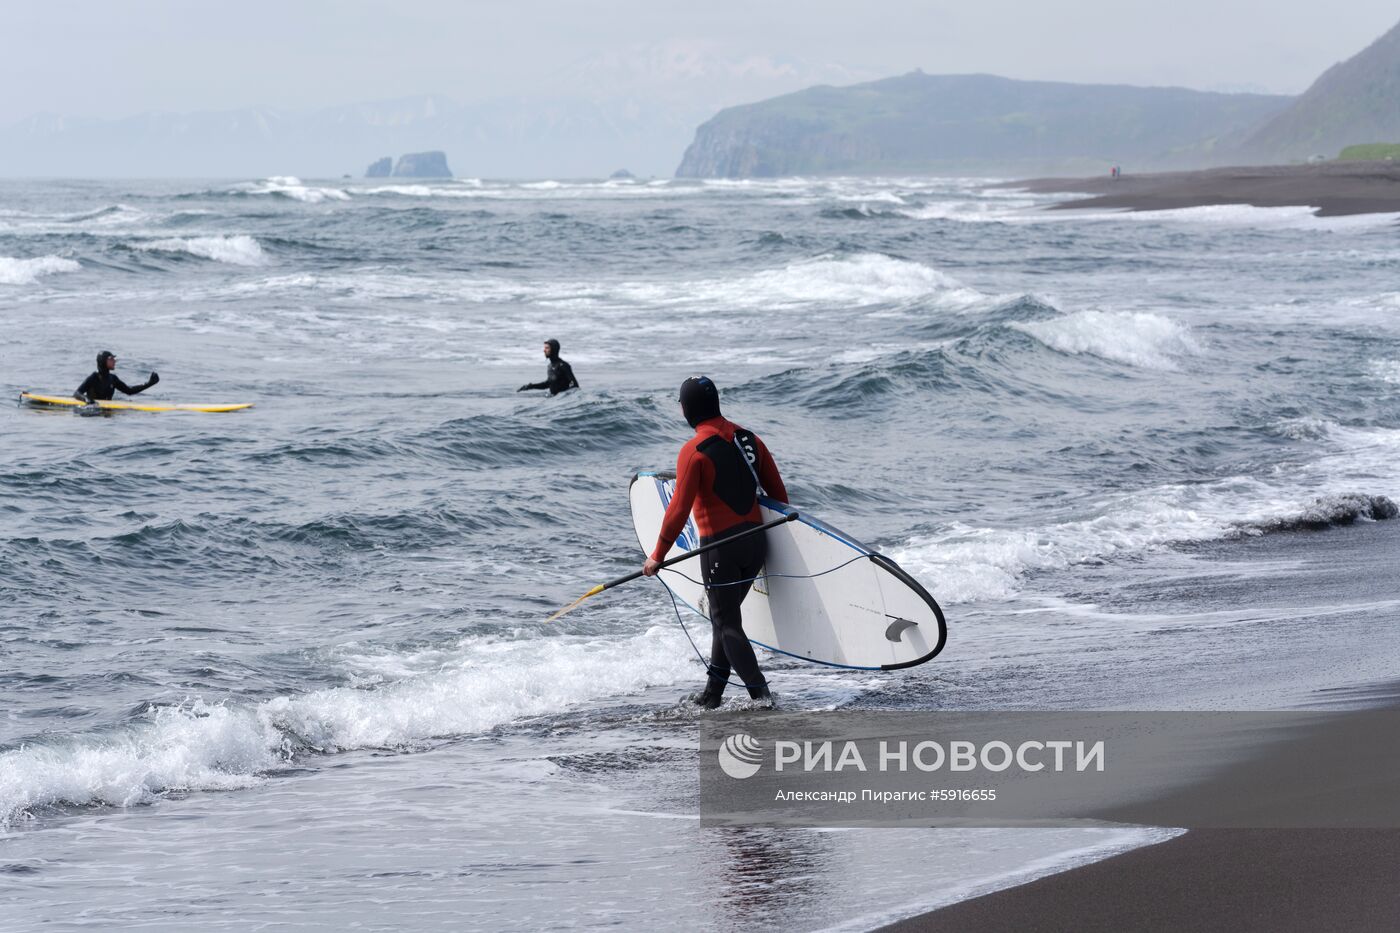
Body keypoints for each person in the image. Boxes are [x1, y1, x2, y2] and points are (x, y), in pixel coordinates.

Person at [642, 376, 788, 709]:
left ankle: (761, 697)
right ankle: (713, 694)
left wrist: (657, 556)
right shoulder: (749, 439)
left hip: (719, 549)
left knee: (726, 622)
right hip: (755, 546)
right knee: (725, 619)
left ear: (688, 409)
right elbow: (779, 497)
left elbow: (678, 511)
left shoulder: (693, 451)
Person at [74, 350, 159, 402]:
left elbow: (129, 391)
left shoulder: (113, 379)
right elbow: (77, 393)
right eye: (111, 359)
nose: (114, 361)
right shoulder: (93, 377)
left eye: (114, 359)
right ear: (103, 362)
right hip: (92, 413)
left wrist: (149, 383)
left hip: (108, 413)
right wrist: (86, 399)